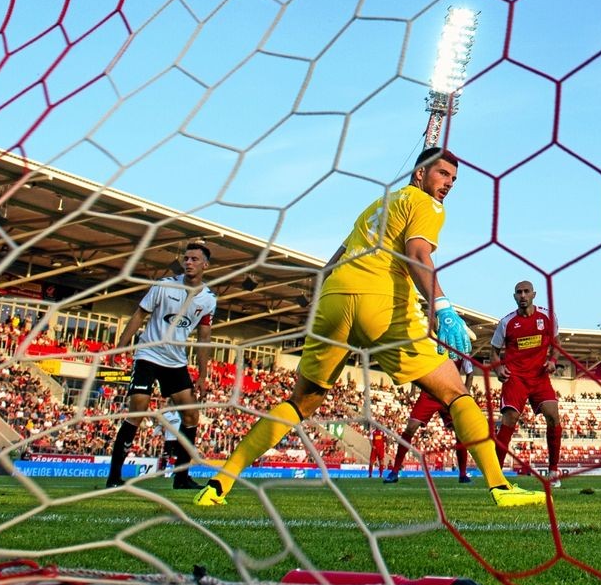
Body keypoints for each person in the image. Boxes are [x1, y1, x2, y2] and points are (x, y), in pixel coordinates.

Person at [194, 148, 544, 507]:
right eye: (442, 175)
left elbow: (336, 258)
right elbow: (418, 253)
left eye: (453, 179)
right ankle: (501, 489)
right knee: (455, 393)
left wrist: (319, 304)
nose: (448, 184)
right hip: (380, 303)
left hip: (335, 298)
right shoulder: (425, 204)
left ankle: (220, 483)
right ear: (420, 174)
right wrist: (442, 305)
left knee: (302, 401)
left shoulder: (377, 206)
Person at [106, 242, 216, 490]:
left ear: (205, 265)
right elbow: (139, 315)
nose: (188, 262)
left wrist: (202, 375)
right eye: (186, 258)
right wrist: (121, 345)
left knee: (191, 415)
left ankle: (181, 478)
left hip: (176, 361)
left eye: (194, 259)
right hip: (149, 354)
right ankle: (114, 477)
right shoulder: (165, 285)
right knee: (138, 408)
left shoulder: (208, 299)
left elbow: (204, 338)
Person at [491, 280, 563, 488]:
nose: (522, 295)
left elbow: (557, 345)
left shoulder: (548, 317)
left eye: (526, 292)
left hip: (540, 377)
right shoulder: (507, 323)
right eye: (518, 292)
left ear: (534, 294)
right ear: (514, 296)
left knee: (553, 415)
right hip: (516, 378)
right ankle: (496, 475)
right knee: (509, 419)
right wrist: (498, 369)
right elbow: (494, 351)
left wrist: (553, 361)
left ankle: (553, 471)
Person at [383, 355, 475, 484]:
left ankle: (463, 474)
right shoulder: (433, 345)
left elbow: (470, 374)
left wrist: (465, 394)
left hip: (450, 394)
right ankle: (395, 471)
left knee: (460, 431)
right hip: (429, 392)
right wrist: (413, 389)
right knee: (410, 428)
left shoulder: (462, 347)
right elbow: (418, 368)